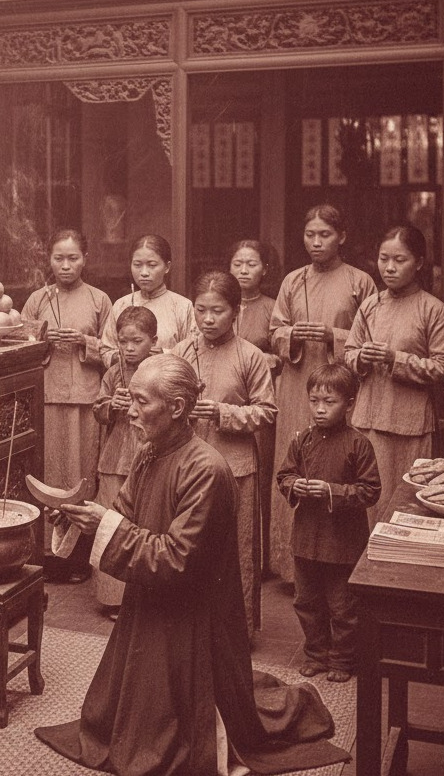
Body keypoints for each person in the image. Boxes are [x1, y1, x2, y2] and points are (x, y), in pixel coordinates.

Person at [35, 355, 350, 776]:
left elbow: (176, 559)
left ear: (178, 408)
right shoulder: (151, 451)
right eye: (130, 398)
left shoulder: (207, 470)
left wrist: (106, 525)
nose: (129, 410)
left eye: (141, 401)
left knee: (165, 738)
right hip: (153, 603)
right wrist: (84, 517)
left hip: (194, 618)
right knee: (116, 719)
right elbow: (124, 514)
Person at [268, 205, 376, 583]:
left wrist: (334, 336)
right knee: (296, 463)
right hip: (298, 385)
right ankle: (292, 565)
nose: (315, 242)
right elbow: (275, 329)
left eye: (324, 235)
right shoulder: (292, 281)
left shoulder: (360, 282)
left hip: (340, 384)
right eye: (310, 235)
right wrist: (293, 335)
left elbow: (369, 338)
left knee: (337, 463)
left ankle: (339, 561)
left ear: (341, 236)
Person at [173, 270, 276, 638]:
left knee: (236, 550)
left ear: (236, 312)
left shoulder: (250, 356)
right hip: (187, 464)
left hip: (236, 467)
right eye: (201, 310)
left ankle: (237, 631)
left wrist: (223, 412)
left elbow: (267, 411)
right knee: (188, 545)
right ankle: (190, 627)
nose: (208, 319)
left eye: (217, 311)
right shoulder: (182, 351)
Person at [276, 363, 380, 683]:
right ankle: (316, 654)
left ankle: (342, 659)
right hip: (307, 537)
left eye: (329, 402)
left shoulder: (358, 444)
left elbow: (370, 490)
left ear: (349, 404)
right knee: (306, 601)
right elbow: (284, 475)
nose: (319, 410)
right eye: (314, 401)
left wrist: (331, 491)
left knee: (342, 606)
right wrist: (295, 485)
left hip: (342, 543)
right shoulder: (301, 440)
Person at [344, 225, 444, 524]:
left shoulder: (433, 309)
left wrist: (396, 359)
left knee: (404, 502)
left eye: (399, 260)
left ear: (419, 262)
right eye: (383, 258)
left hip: (410, 423)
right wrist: (361, 359)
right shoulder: (370, 306)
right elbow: (349, 352)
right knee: (366, 502)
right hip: (369, 417)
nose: (389, 267)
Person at [21, 228, 112, 582]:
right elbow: (21, 347)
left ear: (85, 259)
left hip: (86, 399)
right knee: (50, 475)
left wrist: (84, 341)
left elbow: (112, 352)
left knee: (81, 476)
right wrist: (42, 341)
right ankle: (47, 556)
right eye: (59, 258)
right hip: (47, 396)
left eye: (73, 258)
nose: (65, 265)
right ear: (49, 259)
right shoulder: (38, 299)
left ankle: (78, 558)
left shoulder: (100, 300)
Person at [92, 305, 157, 617]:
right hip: (115, 454)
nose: (130, 349)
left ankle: (142, 598)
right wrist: (110, 405)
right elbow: (98, 409)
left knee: (144, 523)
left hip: (148, 452)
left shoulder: (161, 370)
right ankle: (112, 597)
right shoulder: (113, 372)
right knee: (111, 521)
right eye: (123, 341)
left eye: (137, 342)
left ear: (153, 341)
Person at [229, 239, 281, 577]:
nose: (243, 270)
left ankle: (256, 560)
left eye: (251, 264)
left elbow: (284, 355)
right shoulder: (218, 306)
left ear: (264, 269)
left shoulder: (273, 307)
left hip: (257, 401)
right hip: (225, 398)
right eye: (237, 263)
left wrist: (269, 358)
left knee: (256, 477)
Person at [99, 234, 196, 368]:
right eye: (137, 265)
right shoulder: (121, 304)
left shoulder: (182, 306)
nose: (144, 272)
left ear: (167, 267)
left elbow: (194, 352)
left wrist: (165, 354)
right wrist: (127, 355)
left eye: (152, 265)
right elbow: (106, 351)